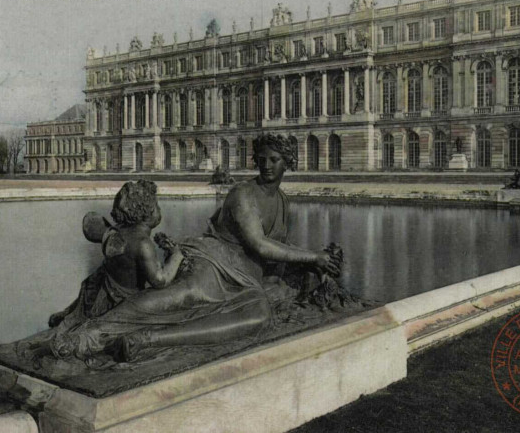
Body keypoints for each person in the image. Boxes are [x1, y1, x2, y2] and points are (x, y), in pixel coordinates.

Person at [43, 134, 340, 365]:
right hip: (214, 262)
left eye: (274, 159)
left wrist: (315, 259)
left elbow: (278, 247)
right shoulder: (242, 194)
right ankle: (89, 335)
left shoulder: (282, 201)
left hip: (243, 281)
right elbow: (260, 244)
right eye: (261, 158)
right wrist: (314, 257)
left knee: (259, 316)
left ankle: (148, 340)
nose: (266, 165)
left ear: (287, 162)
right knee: (174, 298)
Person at [19, 180, 185, 364]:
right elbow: (160, 281)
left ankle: (67, 317)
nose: (159, 210)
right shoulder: (143, 243)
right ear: (147, 211)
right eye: (157, 206)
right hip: (124, 302)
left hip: (102, 297)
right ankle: (63, 345)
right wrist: (176, 256)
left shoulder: (117, 232)